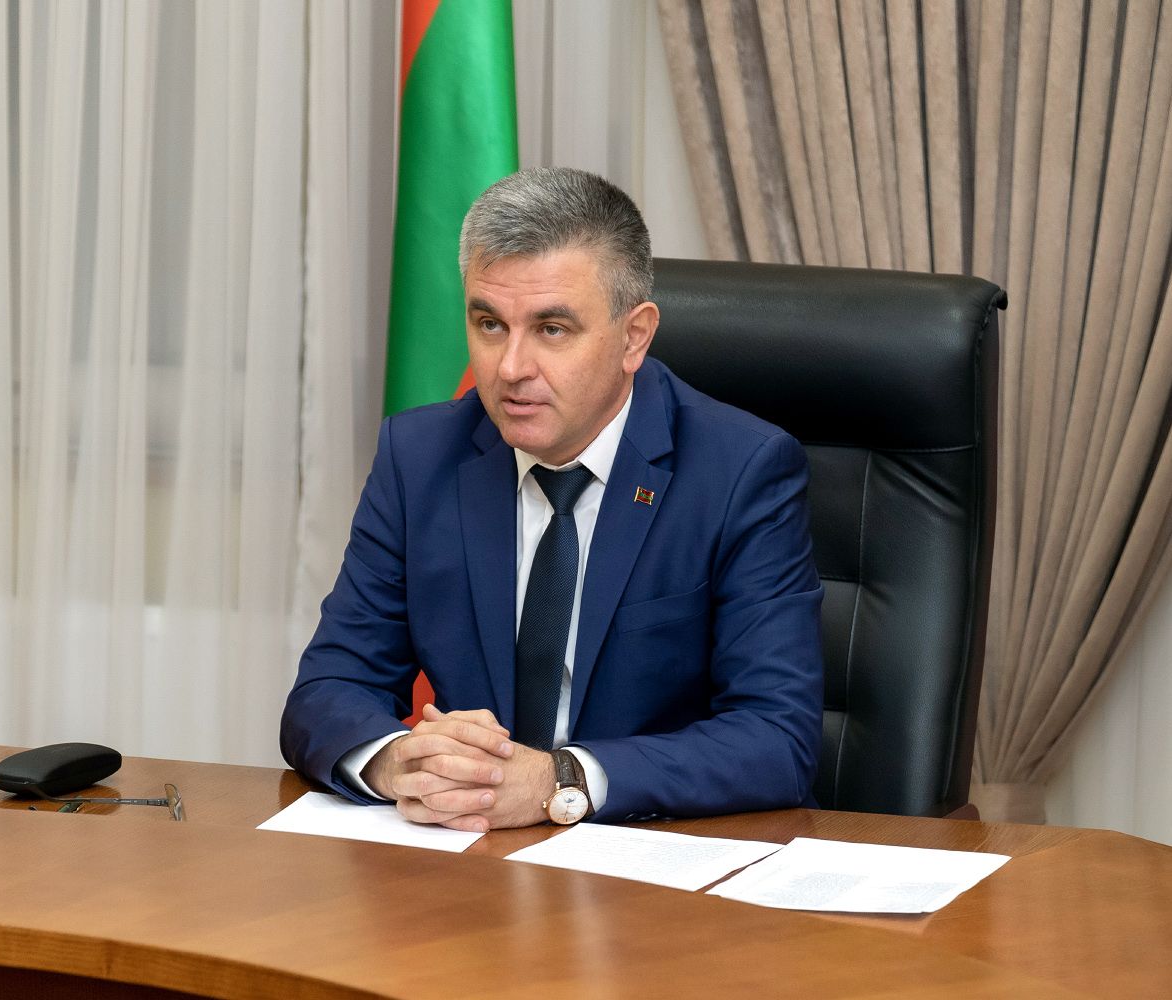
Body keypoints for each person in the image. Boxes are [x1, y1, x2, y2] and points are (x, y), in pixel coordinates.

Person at [281, 167, 822, 832]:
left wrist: (560, 781)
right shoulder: (420, 458)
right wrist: (401, 762)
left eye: (552, 329)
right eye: (489, 324)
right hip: (469, 858)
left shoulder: (740, 471)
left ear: (634, 336)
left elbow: (777, 738)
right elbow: (328, 689)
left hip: (652, 857)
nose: (511, 368)